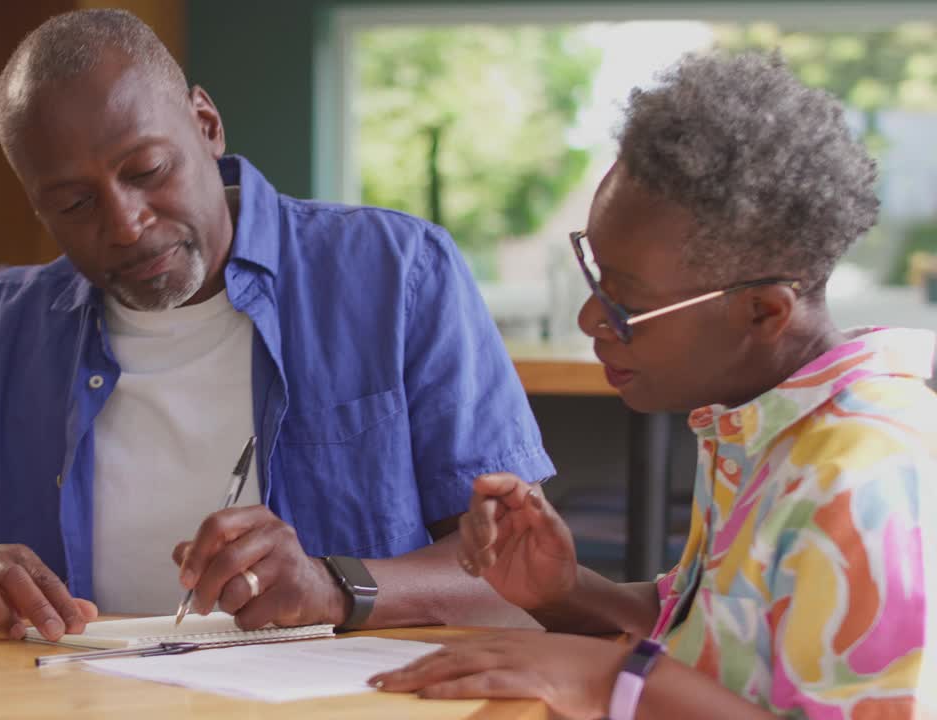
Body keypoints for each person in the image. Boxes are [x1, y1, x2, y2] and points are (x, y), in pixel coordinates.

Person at [0, 9, 554, 642]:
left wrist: (332, 584)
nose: (126, 224)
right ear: (38, 208)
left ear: (206, 124)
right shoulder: (0, 332)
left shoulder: (397, 274)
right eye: (74, 204)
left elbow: (521, 582)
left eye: (147, 170)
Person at [371, 51, 936, 719]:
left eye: (625, 302)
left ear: (762, 312)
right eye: (594, 275)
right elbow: (715, 635)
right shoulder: (763, 425)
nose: (590, 319)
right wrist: (563, 593)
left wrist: (609, 680)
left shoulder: (861, 478)